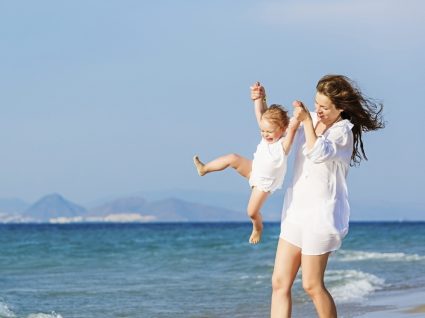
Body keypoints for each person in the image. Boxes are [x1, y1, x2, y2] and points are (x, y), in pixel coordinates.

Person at [251, 75, 384, 318]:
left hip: (321, 217)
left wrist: (306, 123)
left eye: (324, 107)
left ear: (340, 108)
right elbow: (273, 129)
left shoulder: (344, 132)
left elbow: (318, 152)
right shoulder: (309, 119)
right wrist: (261, 100)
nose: (318, 110)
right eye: (316, 104)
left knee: (311, 285)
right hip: (295, 213)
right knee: (279, 283)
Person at [193, 82, 300, 244]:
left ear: (282, 128)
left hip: (264, 183)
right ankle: (204, 168)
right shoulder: (266, 135)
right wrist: (258, 96)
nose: (265, 134)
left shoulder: (283, 145)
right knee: (232, 157)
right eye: (262, 131)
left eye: (269, 132)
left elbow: (292, 129)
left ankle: (257, 227)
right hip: (253, 169)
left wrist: (298, 115)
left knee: (251, 212)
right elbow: (259, 113)